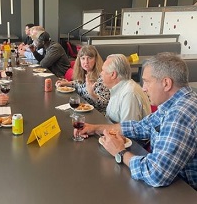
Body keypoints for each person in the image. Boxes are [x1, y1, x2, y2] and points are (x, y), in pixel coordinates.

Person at [78, 53, 197, 189]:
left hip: (185, 192)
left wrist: (120, 152)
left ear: (166, 83)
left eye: (147, 81)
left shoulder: (180, 115)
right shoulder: (176, 102)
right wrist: (95, 128)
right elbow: (140, 126)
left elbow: (155, 173)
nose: (144, 88)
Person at [56, 45, 110, 113]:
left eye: (89, 58)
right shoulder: (84, 73)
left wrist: (92, 94)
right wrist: (67, 83)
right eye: (83, 58)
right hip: (82, 111)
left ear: (96, 59)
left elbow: (105, 104)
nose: (86, 62)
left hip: (97, 114)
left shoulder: (102, 77)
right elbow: (79, 83)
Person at [101, 54, 150, 122]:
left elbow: (128, 130)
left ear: (113, 75)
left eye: (103, 71)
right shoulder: (117, 88)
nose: (101, 74)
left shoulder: (129, 94)